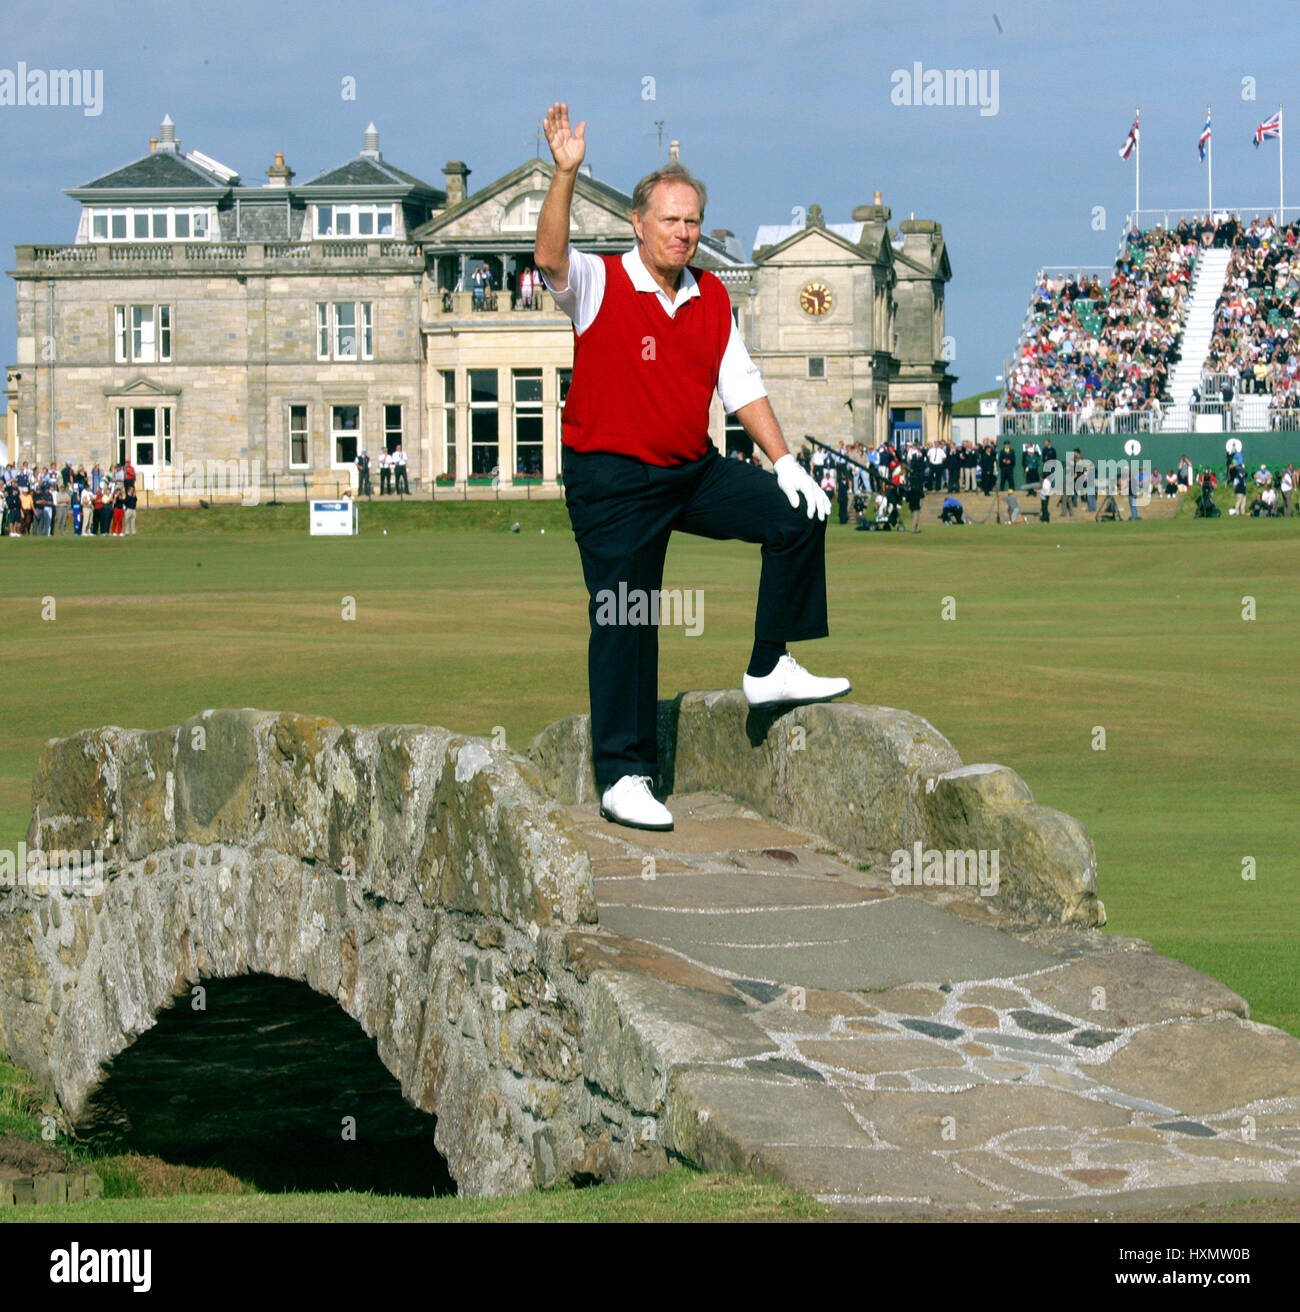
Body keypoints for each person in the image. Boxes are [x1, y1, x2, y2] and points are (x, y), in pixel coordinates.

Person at [534, 100, 848, 833]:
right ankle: (623, 773)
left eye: (693, 221)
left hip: (688, 470)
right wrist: (565, 174)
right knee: (627, 616)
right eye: (670, 220)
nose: (683, 233)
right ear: (638, 224)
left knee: (798, 515)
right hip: (611, 479)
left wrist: (785, 462)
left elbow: (739, 383)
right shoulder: (600, 282)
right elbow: (549, 257)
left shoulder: (710, 295)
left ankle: (769, 665)